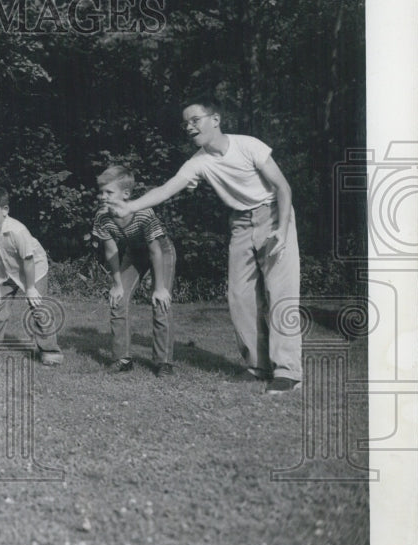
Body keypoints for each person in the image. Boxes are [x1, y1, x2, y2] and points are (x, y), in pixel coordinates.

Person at [108, 97, 301, 393]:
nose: (189, 126)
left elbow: (283, 187)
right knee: (239, 296)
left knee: (280, 294)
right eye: (185, 123)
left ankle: (287, 371)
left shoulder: (249, 145)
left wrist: (282, 229)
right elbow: (166, 189)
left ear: (215, 119)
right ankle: (258, 366)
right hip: (240, 222)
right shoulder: (198, 162)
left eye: (195, 119)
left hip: (274, 214)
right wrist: (129, 206)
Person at [92, 166, 176, 377]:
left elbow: (155, 251)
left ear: (126, 194)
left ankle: (163, 362)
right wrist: (117, 284)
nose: (103, 196)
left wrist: (158, 288)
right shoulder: (102, 218)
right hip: (133, 254)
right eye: (101, 191)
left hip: (161, 252)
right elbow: (111, 250)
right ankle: (122, 358)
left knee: (160, 302)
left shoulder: (143, 213)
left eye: (109, 192)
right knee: (118, 300)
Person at [0, 187, 64, 366]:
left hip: (33, 268)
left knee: (38, 307)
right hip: (7, 268)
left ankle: (50, 352)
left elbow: (28, 260)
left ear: (5, 210)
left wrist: (30, 289)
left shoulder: (17, 230)